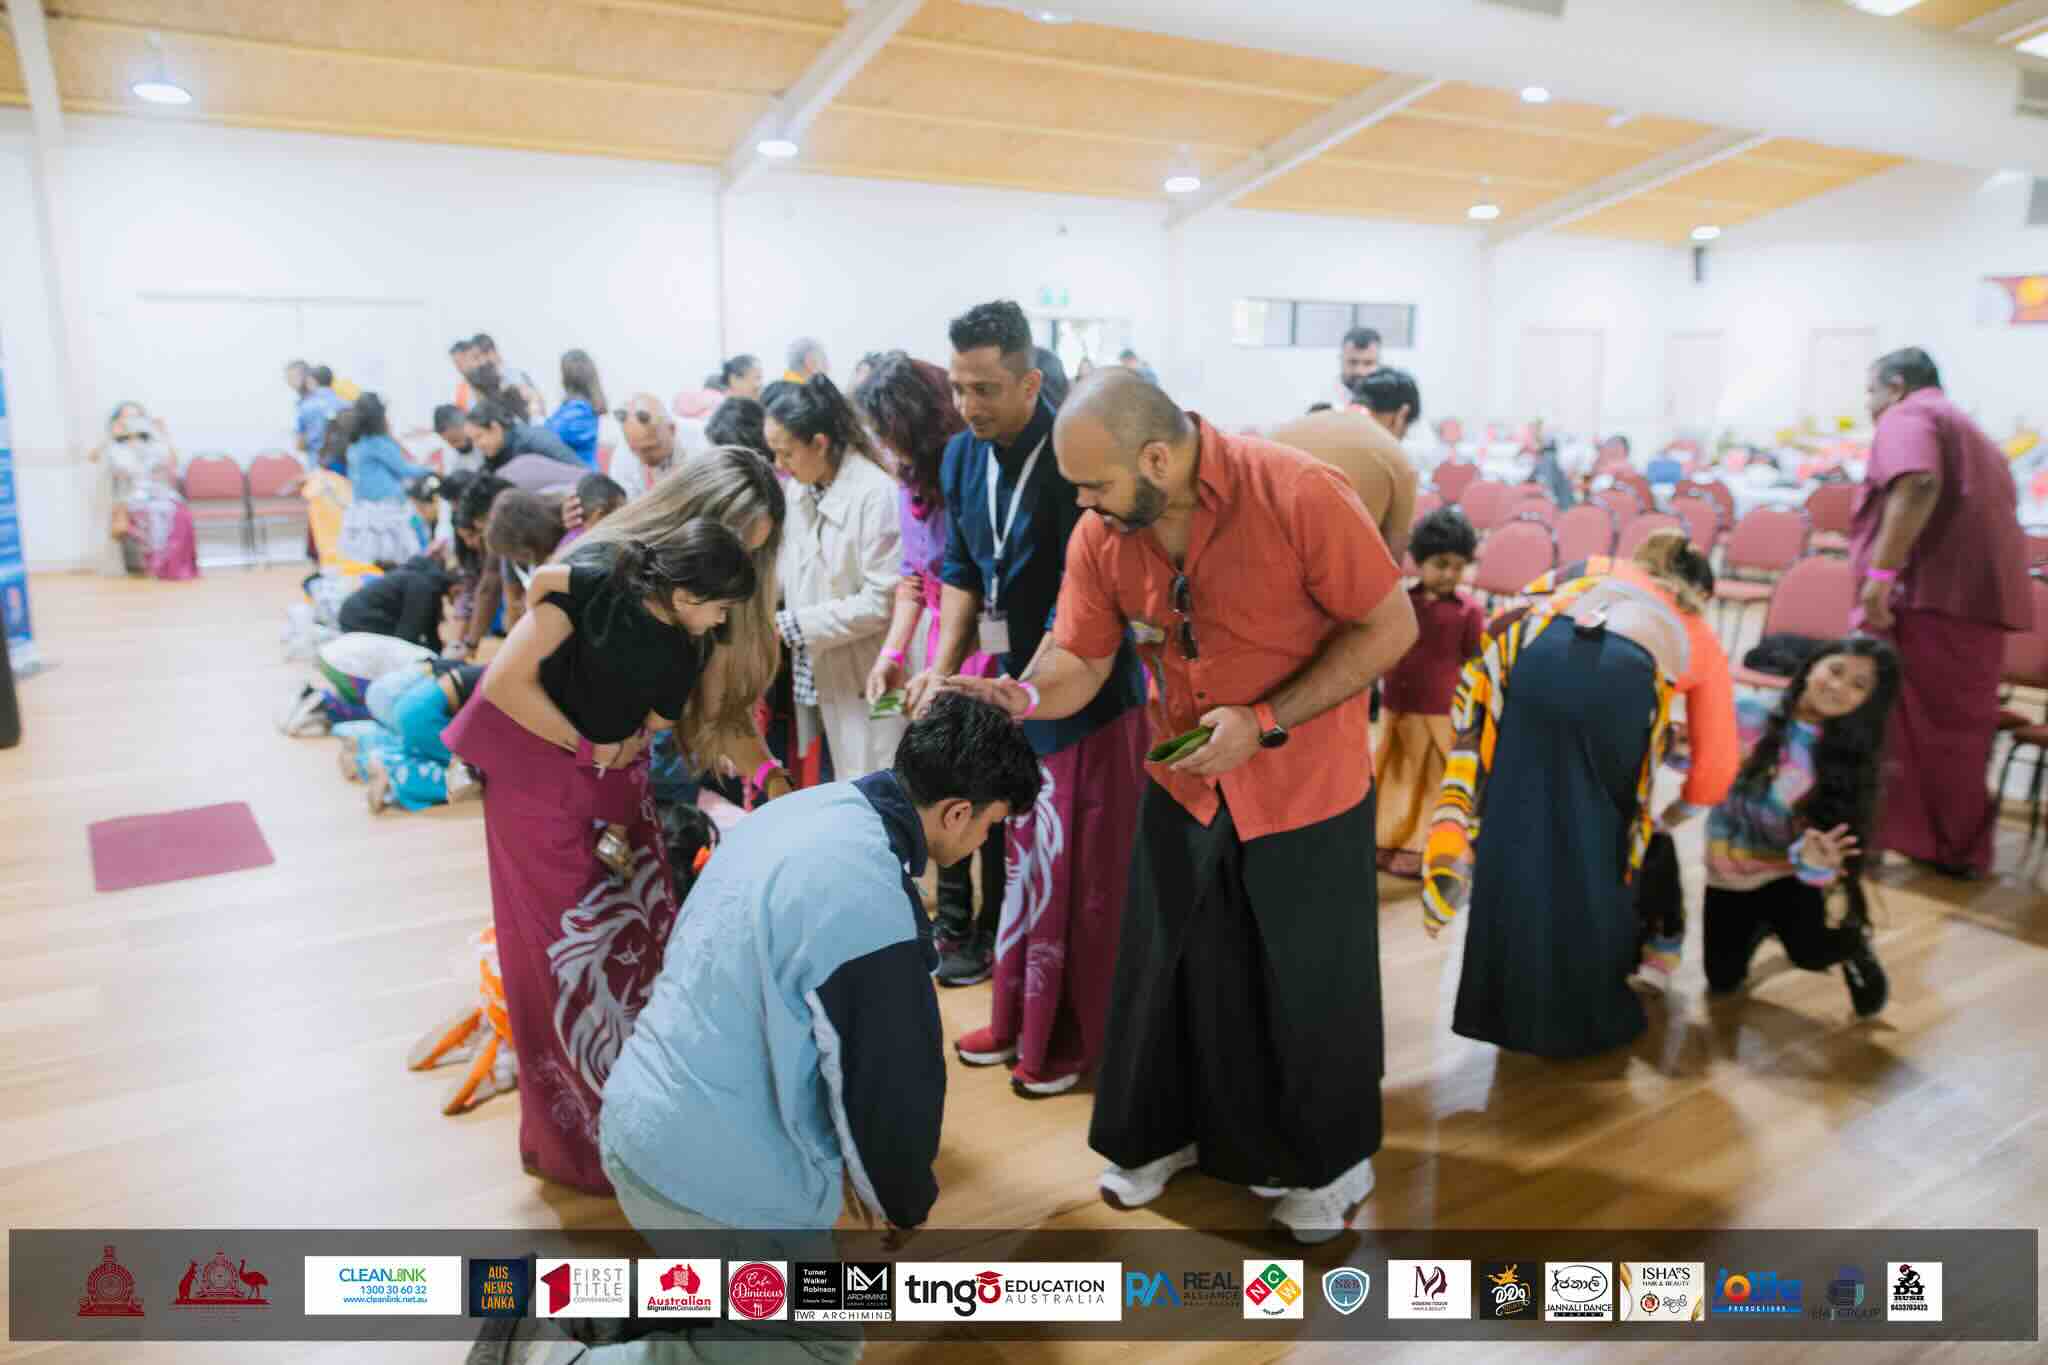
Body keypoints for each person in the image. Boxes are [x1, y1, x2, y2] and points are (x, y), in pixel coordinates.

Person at [942, 367, 1415, 1239]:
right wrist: (1025, 694)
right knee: (1172, 969)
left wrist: (1266, 720)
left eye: (1095, 484)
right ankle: (1170, 1132)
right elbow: (1079, 656)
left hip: (1305, 782)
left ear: (1158, 455)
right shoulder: (1106, 534)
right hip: (1185, 776)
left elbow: (1391, 629)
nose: (1083, 504)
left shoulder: (1299, 492)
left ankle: (1330, 1163)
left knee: (1308, 987)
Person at [598, 696, 1040, 1361]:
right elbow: (890, 1079)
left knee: (751, 1306)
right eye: (989, 826)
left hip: (640, 1114)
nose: (983, 842)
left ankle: (620, 1324)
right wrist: (901, 1196)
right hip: (708, 1179)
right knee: (820, 1344)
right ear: (956, 812)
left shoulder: (803, 810)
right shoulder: (868, 900)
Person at [444, 514, 758, 1194]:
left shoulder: (640, 604)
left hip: (595, 781)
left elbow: (649, 720)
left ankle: (633, 1114)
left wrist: (601, 746)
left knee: (622, 942)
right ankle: (580, 1137)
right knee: (560, 957)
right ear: (684, 590)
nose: (722, 622)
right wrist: (588, 746)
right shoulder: (625, 606)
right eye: (719, 607)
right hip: (547, 783)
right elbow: (504, 686)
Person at [906, 300, 1151, 1094]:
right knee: (1021, 860)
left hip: (1087, 690)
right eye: (959, 387)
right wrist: (943, 668)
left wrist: (1023, 685)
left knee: (1082, 877)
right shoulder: (958, 458)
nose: (969, 404)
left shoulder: (1074, 454)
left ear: (1030, 382)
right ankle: (1016, 1018)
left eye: (984, 388)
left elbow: (1079, 611)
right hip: (1011, 684)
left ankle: (1073, 1037)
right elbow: (963, 573)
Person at [1424, 530, 1739, 1059]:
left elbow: (1518, 608)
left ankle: (1497, 1005)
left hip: (1524, 657)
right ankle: (1578, 1017)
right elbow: (1717, 760)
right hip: (1618, 683)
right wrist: (1678, 811)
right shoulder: (1695, 633)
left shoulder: (1591, 565)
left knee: (1510, 833)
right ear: (1699, 593)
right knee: (1593, 853)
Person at [855, 353, 1007, 987]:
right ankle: (949, 920)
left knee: (987, 801)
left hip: (984, 654)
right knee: (939, 790)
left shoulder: (967, 473)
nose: (881, 444)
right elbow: (914, 584)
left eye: (887, 429)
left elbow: (968, 581)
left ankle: (993, 927)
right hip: (939, 660)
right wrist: (893, 655)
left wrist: (947, 667)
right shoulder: (906, 483)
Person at [1853, 347, 2032, 878]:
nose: (1869, 406)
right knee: (1955, 734)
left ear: (1896, 385)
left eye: (1870, 393)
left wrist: (1880, 577)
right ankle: (1952, 849)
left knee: (1888, 723)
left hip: (1927, 601)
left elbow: (1919, 482)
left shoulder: (1910, 416)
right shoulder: (1967, 429)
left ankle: (1878, 838)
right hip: (1967, 606)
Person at [1704, 637, 1898, 1016]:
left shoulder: (1848, 760)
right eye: (1836, 670)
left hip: (1790, 876)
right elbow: (1697, 773)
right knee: (1722, 980)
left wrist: (1813, 862)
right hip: (1728, 873)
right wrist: (1679, 751)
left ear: (1867, 702)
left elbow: (1830, 856)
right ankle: (1760, 925)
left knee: (1810, 955)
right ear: (1812, 667)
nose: (1839, 687)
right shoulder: (1745, 711)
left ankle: (1853, 946)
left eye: (1858, 685)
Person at [764, 376, 905, 779]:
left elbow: (881, 602)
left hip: (875, 667)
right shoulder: (799, 490)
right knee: (845, 774)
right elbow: (791, 568)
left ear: (820, 443)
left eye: (786, 453)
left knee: (883, 773)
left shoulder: (875, 493)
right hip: (825, 668)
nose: (780, 466)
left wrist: (791, 625)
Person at [1374, 506, 1483, 877]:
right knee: (1397, 775)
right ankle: (1386, 838)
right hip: (1399, 704)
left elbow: (1473, 660)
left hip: (1440, 709)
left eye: (1458, 566)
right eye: (1440, 564)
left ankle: (1423, 846)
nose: (1450, 574)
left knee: (1433, 780)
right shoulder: (1402, 602)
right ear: (1419, 562)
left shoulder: (1469, 611)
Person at [1271, 366, 1422, 562]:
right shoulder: (1397, 457)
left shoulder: (1285, 431)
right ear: (1402, 414)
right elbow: (1392, 559)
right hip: (1331, 582)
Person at [339, 658, 486, 815]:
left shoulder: (483, 670)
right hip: (421, 711)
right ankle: (387, 773)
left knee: (417, 749)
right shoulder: (494, 676)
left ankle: (378, 759)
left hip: (409, 703)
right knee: (468, 772)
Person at [91, 402, 198, 580]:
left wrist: (164, 435)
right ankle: (158, 565)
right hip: (130, 497)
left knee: (181, 513)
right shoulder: (115, 447)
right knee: (156, 513)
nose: (132, 421)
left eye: (137, 417)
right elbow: (94, 458)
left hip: (157, 492)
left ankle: (177, 568)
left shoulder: (152, 445)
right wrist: (110, 436)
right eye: (127, 417)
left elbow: (173, 462)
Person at [340, 394, 437, 565]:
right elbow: (404, 470)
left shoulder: (356, 443)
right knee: (411, 548)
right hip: (389, 507)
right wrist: (432, 469)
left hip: (363, 508)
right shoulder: (378, 443)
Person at [336, 554, 458, 651]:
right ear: (454, 586)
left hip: (355, 613)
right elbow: (407, 636)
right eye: (460, 594)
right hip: (358, 619)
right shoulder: (422, 586)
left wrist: (439, 653)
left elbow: (430, 630)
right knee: (405, 647)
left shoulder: (428, 584)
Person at [465, 396, 583, 478]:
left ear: (495, 428)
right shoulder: (493, 457)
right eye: (472, 440)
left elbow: (581, 472)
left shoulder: (534, 440)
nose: (476, 445)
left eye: (478, 437)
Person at [609, 393, 682, 503]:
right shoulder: (622, 458)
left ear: (672, 429)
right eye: (634, 450)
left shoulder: (702, 441)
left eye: (649, 449)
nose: (643, 459)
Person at [545, 349, 608, 468]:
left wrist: (536, 412)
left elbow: (548, 437)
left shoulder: (581, 411)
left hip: (581, 480)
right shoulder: (572, 408)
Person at [286, 359, 347, 472]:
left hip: (318, 465)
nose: (290, 382)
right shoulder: (345, 403)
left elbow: (299, 444)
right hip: (343, 465)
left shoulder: (305, 407)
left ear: (311, 381)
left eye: (293, 377)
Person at [1338, 325, 1382, 405]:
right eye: (1352, 362)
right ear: (1341, 359)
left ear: (1379, 363)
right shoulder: (1322, 398)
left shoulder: (1389, 400)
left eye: (1368, 363)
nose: (1359, 371)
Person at [448, 339, 481, 408]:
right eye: (456, 363)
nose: (459, 367)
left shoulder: (489, 378)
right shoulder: (462, 388)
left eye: (460, 361)